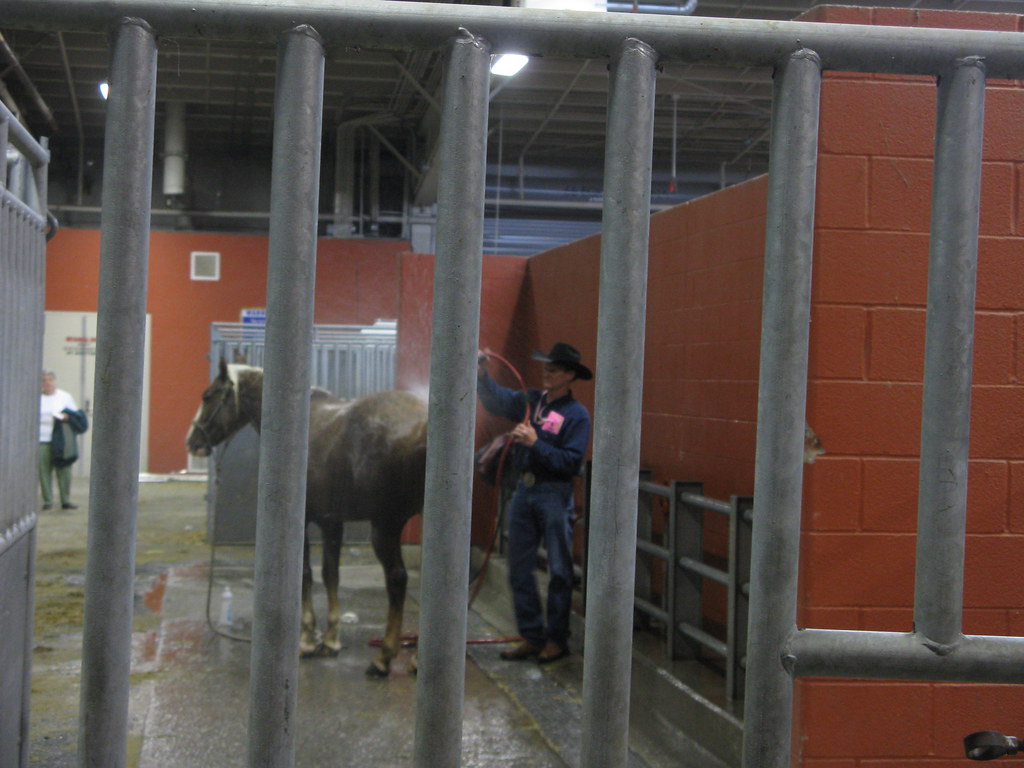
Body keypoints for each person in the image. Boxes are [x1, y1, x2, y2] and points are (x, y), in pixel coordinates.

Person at [477, 341, 592, 664]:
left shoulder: (576, 415)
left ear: (569, 375)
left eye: (553, 368)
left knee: (559, 569)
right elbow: (497, 400)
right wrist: (483, 375)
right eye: (546, 366)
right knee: (519, 567)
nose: (547, 372)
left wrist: (535, 443)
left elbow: (570, 463)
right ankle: (532, 635)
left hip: (554, 494)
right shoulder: (532, 400)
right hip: (525, 492)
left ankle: (556, 639)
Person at [39, 370, 79, 510]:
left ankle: (65, 500)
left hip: (61, 440)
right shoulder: (36, 398)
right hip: (42, 439)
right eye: (44, 380)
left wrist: (65, 416)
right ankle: (48, 500)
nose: (47, 383)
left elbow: (74, 415)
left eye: (50, 380)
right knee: (44, 471)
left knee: (64, 470)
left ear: (55, 382)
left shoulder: (64, 397)